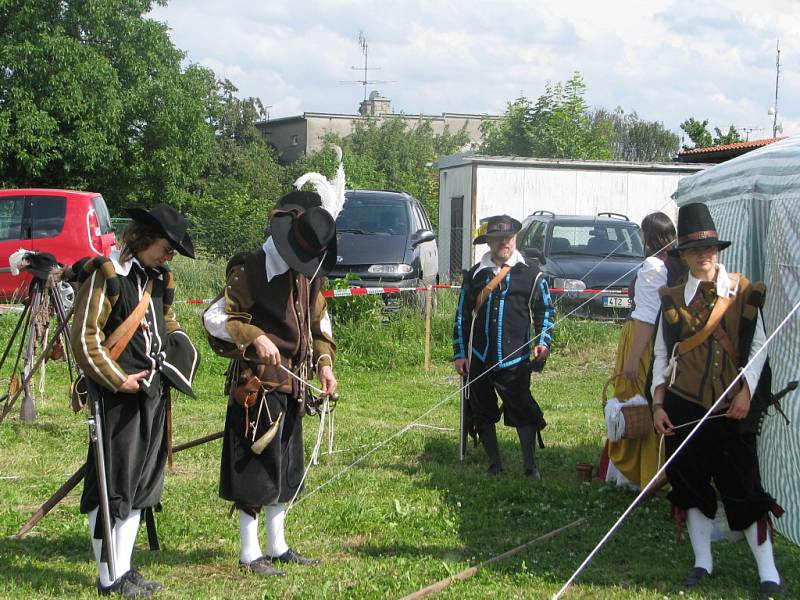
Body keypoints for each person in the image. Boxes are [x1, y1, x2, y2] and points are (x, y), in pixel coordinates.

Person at [651, 203, 784, 598]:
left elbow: (758, 348)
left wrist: (746, 392)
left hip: (732, 406)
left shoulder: (743, 292)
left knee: (744, 487)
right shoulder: (672, 298)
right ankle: (702, 563)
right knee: (690, 486)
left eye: (709, 248)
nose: (703, 255)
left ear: (718, 251)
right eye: (694, 250)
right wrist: (658, 405)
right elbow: (662, 354)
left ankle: (769, 573)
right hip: (683, 405)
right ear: (684, 256)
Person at [203, 190, 337, 577]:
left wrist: (325, 364)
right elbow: (215, 319)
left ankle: (278, 546)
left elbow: (320, 325)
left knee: (287, 471)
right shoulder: (251, 266)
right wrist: (253, 335)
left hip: (293, 388)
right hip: (257, 390)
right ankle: (249, 553)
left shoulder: (308, 272)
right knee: (255, 473)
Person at [71, 204, 200, 598]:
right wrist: (118, 379)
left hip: (153, 395)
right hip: (117, 399)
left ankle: (123, 569)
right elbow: (84, 338)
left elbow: (167, 322)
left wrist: (177, 353)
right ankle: (109, 576)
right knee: (113, 488)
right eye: (167, 245)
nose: (170, 254)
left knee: (142, 487)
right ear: (146, 237)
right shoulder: (108, 275)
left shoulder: (160, 278)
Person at [452, 214, 555, 478]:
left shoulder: (531, 274)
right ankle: (495, 464)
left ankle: (530, 466)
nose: (504, 243)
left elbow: (545, 312)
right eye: (497, 239)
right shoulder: (476, 275)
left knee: (522, 411)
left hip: (515, 358)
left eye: (508, 238)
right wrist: (461, 354)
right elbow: (462, 317)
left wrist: (543, 343)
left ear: (515, 238)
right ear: (488, 242)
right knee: (483, 412)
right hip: (479, 357)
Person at [601, 212, 683, 490]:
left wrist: (633, 359)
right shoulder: (673, 265)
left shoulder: (652, 266)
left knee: (635, 403)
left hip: (643, 342)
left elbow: (647, 318)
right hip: (659, 342)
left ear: (647, 237)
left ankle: (639, 474)